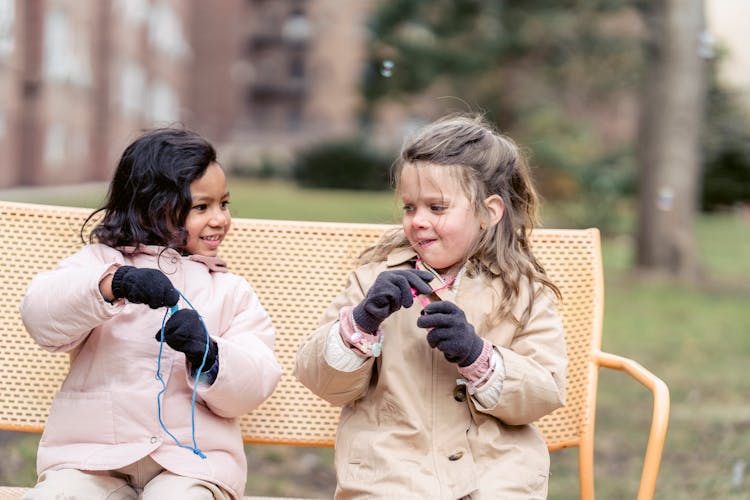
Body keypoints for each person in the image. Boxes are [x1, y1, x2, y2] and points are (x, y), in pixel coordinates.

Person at [294, 113, 567, 499]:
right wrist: (362, 321)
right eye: (409, 207)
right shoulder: (372, 279)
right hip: (390, 477)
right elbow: (322, 381)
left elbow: (543, 392)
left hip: (494, 476)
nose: (418, 221)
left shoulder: (523, 292)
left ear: (489, 212)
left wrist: (478, 356)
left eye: (437, 208)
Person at [20, 128, 282, 500]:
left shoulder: (230, 291)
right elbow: (41, 316)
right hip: (92, 458)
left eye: (223, 204)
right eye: (202, 207)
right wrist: (113, 284)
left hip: (191, 465)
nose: (221, 219)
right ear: (152, 205)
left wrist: (208, 352)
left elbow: (257, 378)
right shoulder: (100, 265)